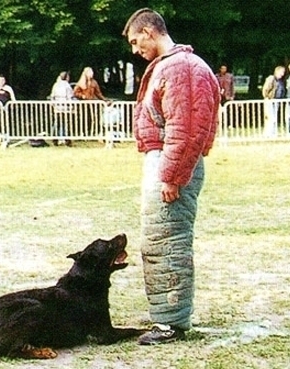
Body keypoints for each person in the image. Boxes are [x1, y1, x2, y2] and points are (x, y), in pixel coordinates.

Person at [122, 8, 220, 344]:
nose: (136, 50)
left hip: (171, 167)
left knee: (168, 244)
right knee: (158, 242)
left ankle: (171, 323)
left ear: (149, 31)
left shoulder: (182, 69)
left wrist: (172, 176)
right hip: (165, 163)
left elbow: (187, 128)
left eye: (136, 41)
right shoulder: (176, 67)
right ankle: (167, 316)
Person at [73, 67, 109, 136]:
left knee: (95, 118)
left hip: (92, 103)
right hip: (84, 104)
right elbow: (75, 92)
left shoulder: (94, 82)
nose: (92, 74)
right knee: (84, 118)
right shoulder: (81, 83)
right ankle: (83, 132)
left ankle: (94, 132)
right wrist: (82, 96)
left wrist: (105, 100)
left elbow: (98, 93)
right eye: (90, 72)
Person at [50, 71, 74, 146]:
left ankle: (54, 138)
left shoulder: (56, 85)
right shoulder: (67, 86)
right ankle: (67, 140)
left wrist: (54, 105)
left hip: (57, 107)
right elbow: (69, 97)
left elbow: (52, 96)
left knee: (57, 122)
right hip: (65, 107)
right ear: (67, 77)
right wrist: (72, 106)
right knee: (66, 123)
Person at [262, 65, 286, 137]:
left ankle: (272, 132)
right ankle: (268, 133)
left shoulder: (280, 81)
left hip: (277, 101)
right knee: (270, 117)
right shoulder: (271, 78)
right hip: (270, 100)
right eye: (282, 72)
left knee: (274, 117)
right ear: (277, 71)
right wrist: (267, 97)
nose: (283, 73)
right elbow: (266, 89)